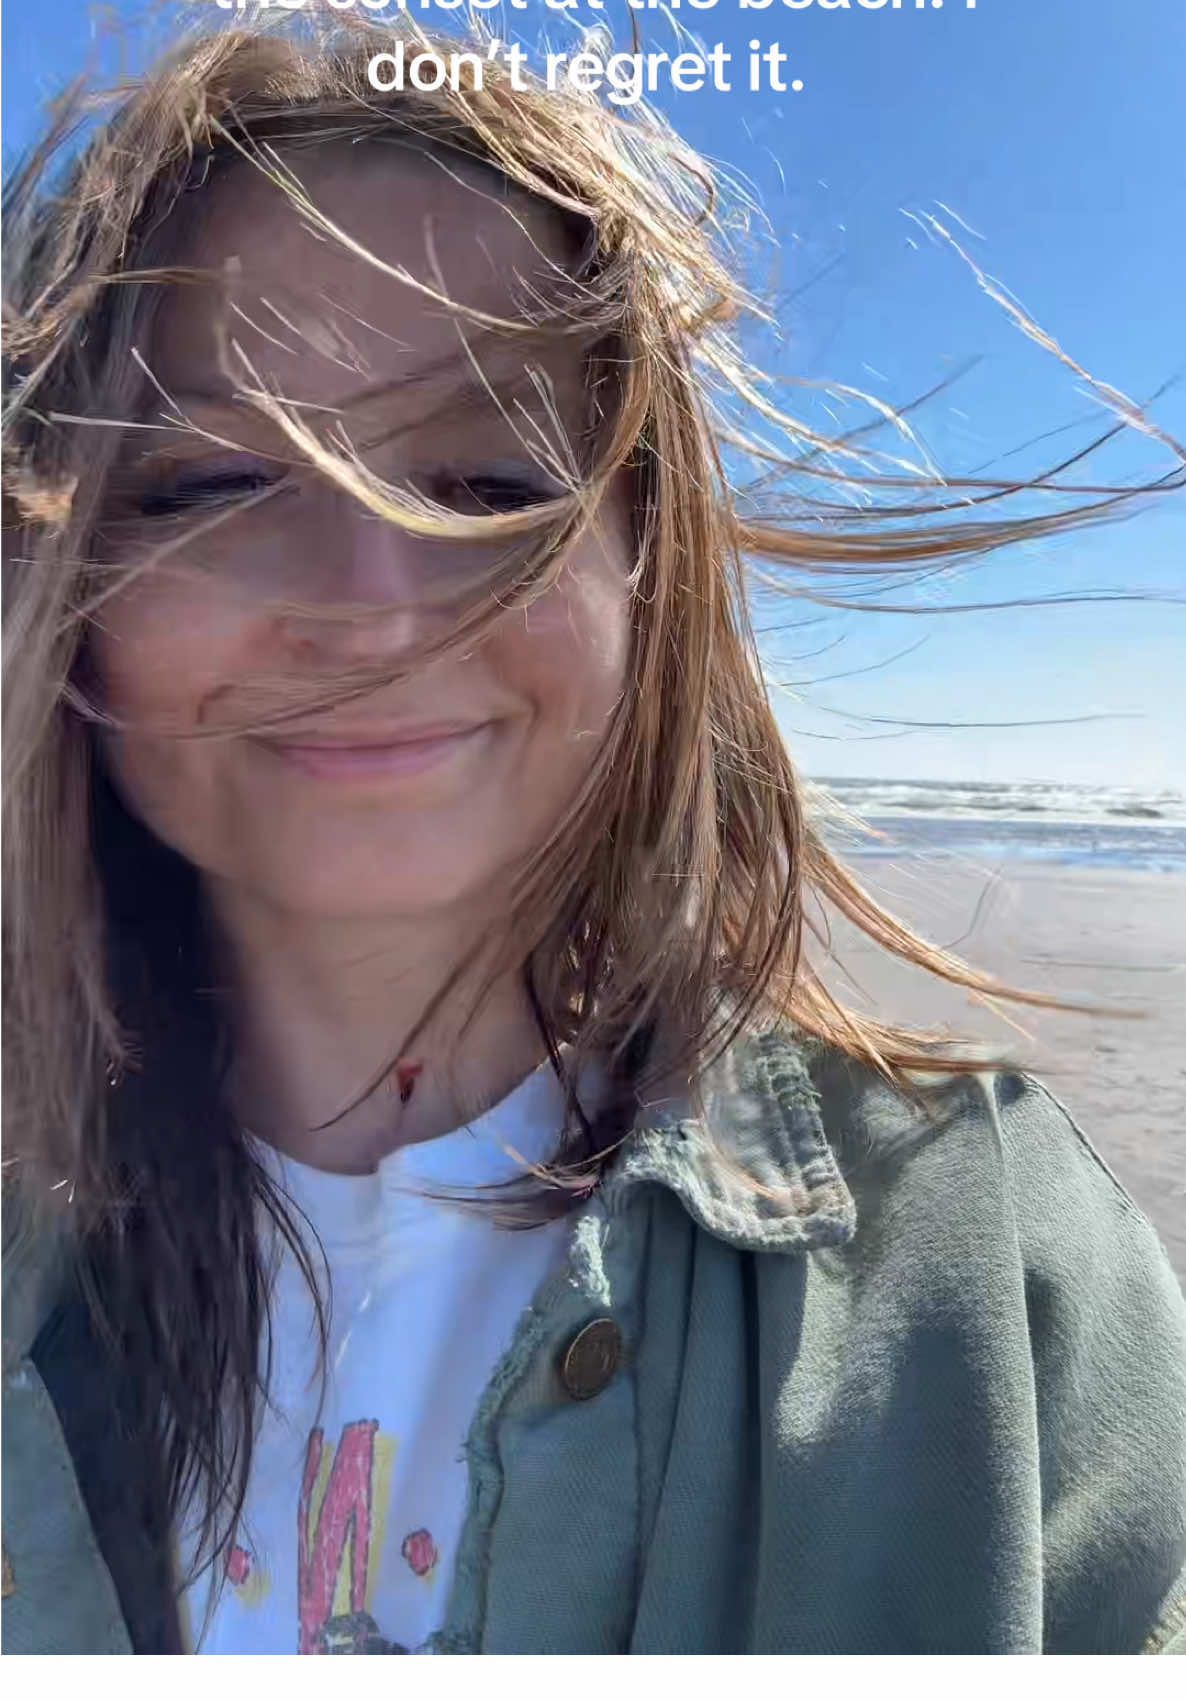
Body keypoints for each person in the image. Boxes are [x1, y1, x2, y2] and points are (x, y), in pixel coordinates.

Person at [2, 12, 1184, 1657]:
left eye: (488, 483)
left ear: (652, 568)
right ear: (55, 587)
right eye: (210, 486)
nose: (376, 607)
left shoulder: (975, 1253)